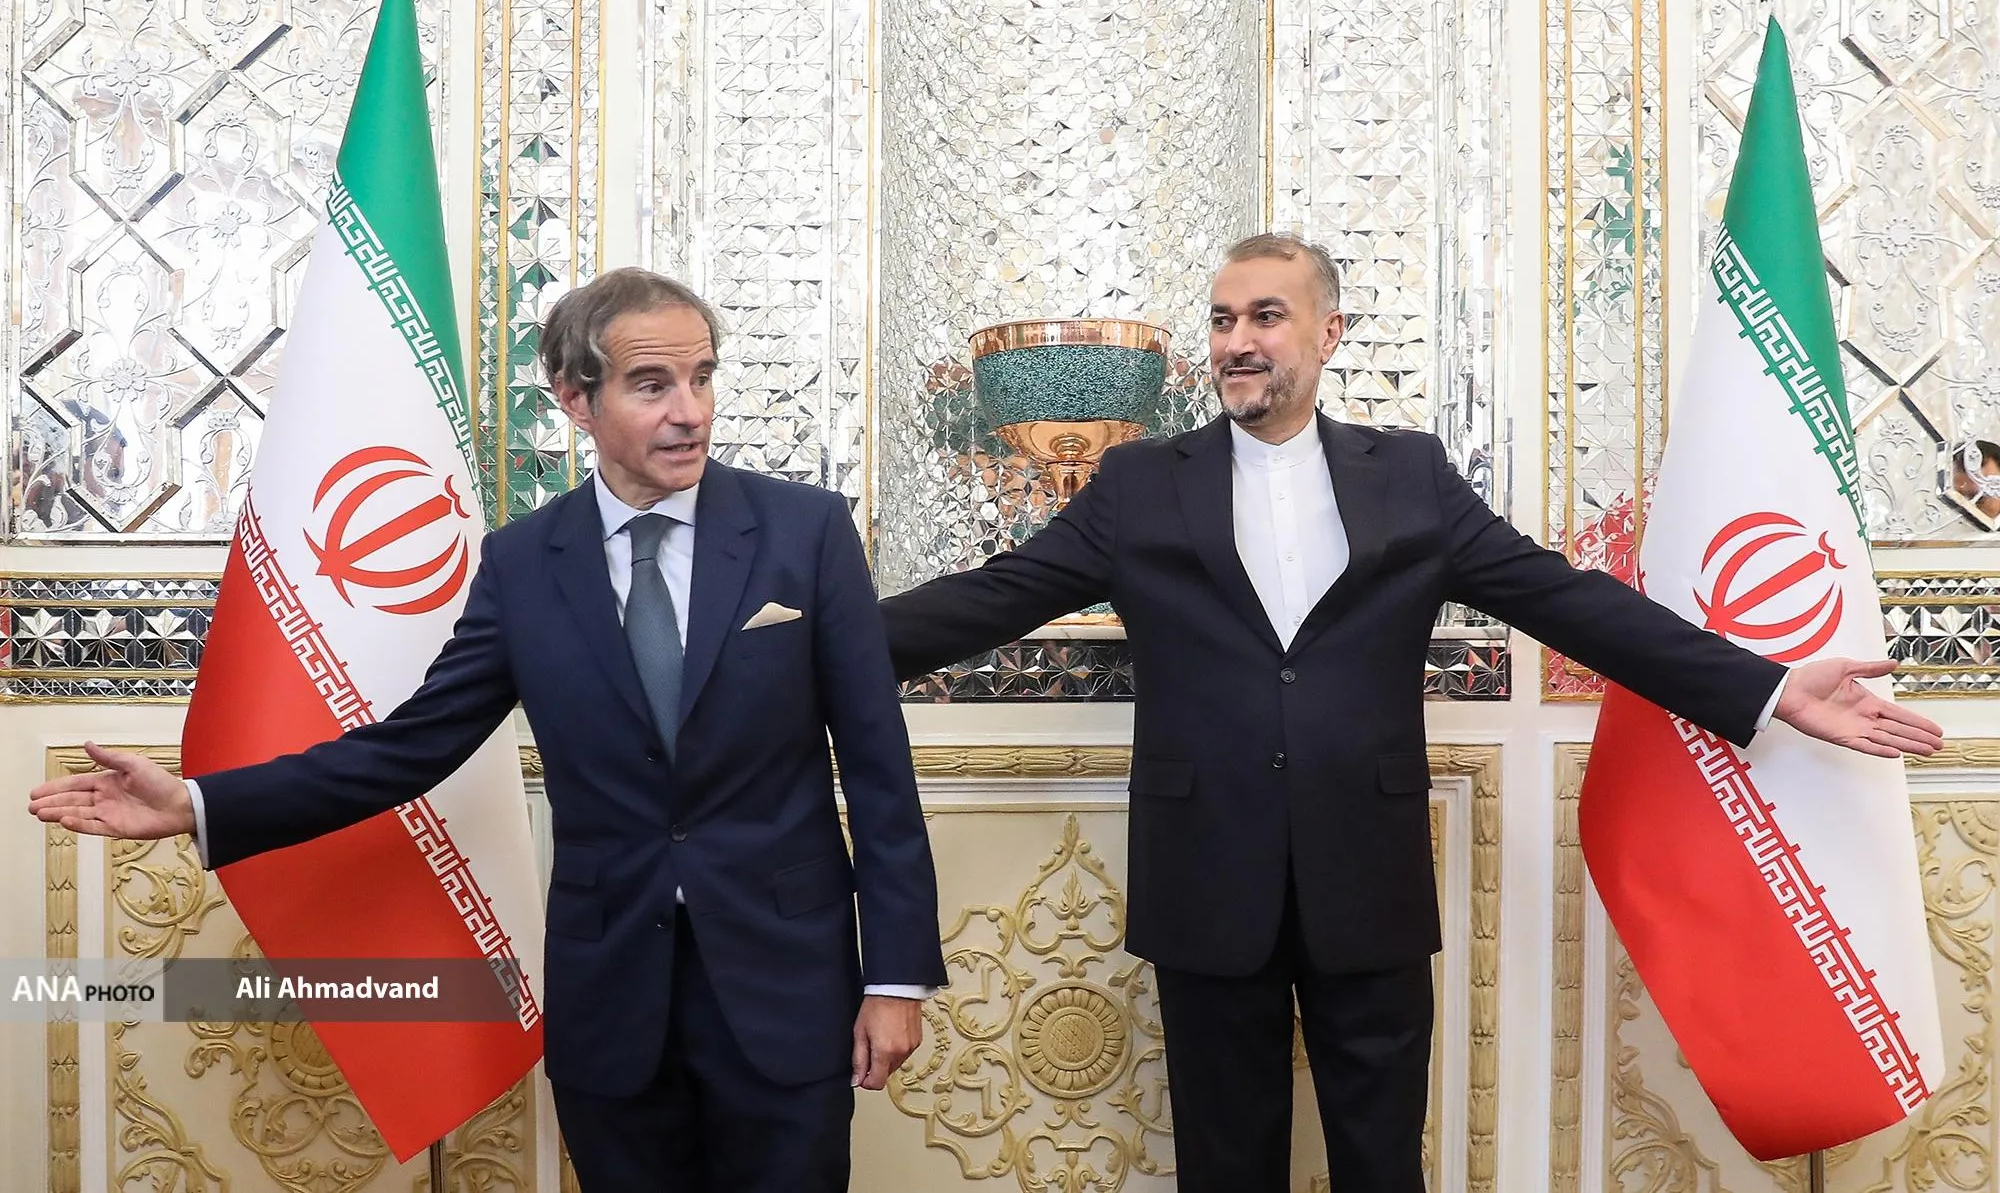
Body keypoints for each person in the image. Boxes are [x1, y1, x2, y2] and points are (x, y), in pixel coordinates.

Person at [878, 232, 1943, 1193]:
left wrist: (1765, 685)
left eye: (1265, 316)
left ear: (1327, 332)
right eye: (1221, 319)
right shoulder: (1139, 483)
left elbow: (1564, 599)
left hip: (1366, 876)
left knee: (1380, 1158)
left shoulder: (1410, 476)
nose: (1237, 341)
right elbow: (992, 597)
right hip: (1203, 873)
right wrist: (819, 651)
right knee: (1222, 1160)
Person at [30, 268, 947, 1193]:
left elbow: (879, 769)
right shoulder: (522, 563)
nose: (690, 411)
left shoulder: (806, 531)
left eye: (702, 377)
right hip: (611, 1002)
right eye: (652, 385)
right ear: (576, 399)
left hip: (787, 989)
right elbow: (409, 746)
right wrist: (197, 804)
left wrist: (896, 979)